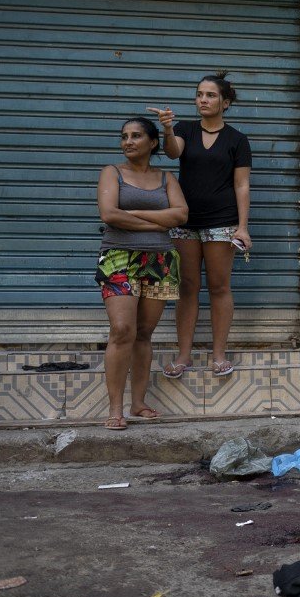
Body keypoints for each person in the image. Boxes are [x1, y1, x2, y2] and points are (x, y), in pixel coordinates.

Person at [148, 70, 252, 378]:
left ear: (225, 102)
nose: (202, 100)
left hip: (222, 223)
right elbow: (172, 153)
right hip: (185, 222)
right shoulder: (185, 129)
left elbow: (242, 185)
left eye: (210, 95)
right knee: (188, 288)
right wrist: (167, 129)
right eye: (199, 94)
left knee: (219, 288)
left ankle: (219, 354)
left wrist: (242, 227)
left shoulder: (237, 139)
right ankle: (184, 356)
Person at [96, 117, 188, 430]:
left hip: (160, 260)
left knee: (144, 333)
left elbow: (181, 214)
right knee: (123, 329)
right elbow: (109, 214)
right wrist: (157, 222)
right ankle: (115, 409)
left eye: (136, 136)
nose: (128, 142)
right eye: (124, 136)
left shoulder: (166, 178)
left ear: (152, 142)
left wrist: (132, 214)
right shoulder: (112, 172)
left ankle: (138, 403)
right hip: (119, 257)